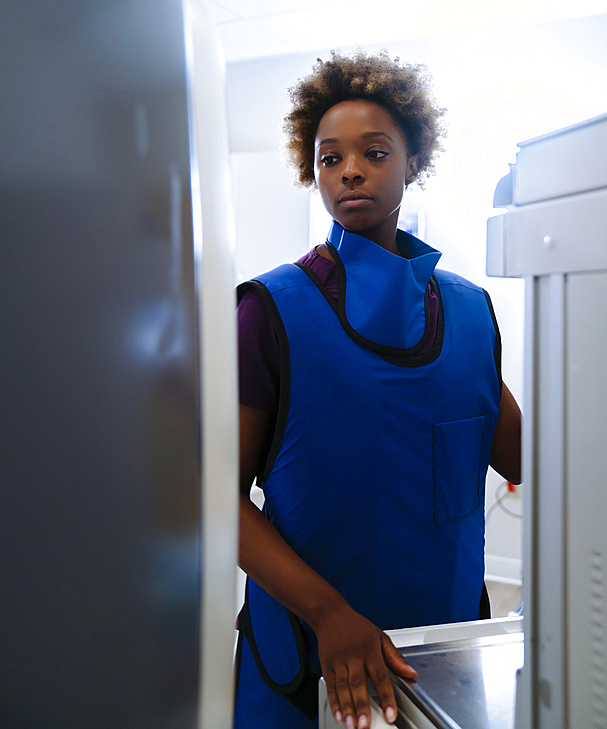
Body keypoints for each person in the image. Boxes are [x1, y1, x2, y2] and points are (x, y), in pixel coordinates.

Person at [234, 51, 522, 729]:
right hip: (307, 655)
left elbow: (524, 458)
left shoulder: (470, 311)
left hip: (441, 651)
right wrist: (330, 614)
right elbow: (209, 499)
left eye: (373, 152)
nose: (350, 171)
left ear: (412, 163)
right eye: (329, 159)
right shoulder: (268, 311)